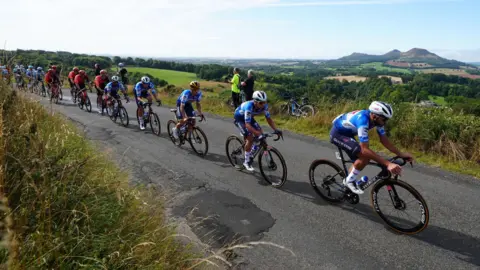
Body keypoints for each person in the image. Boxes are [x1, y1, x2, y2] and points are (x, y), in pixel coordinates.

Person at [330, 101, 414, 195]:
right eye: (384, 120)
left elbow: (384, 140)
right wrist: (388, 164)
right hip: (338, 134)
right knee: (365, 156)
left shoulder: (377, 120)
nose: (385, 123)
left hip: (348, 133)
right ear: (375, 116)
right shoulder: (363, 120)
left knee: (360, 159)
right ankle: (349, 181)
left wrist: (401, 154)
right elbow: (365, 149)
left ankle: (350, 182)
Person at [233, 91, 282, 171]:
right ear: (255, 101)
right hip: (239, 118)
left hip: (248, 118)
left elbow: (269, 119)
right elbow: (248, 125)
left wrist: (276, 129)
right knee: (250, 138)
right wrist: (256, 133)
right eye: (261, 103)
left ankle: (250, 153)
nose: (263, 104)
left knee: (261, 134)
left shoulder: (264, 106)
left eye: (264, 102)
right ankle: (246, 162)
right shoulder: (249, 106)